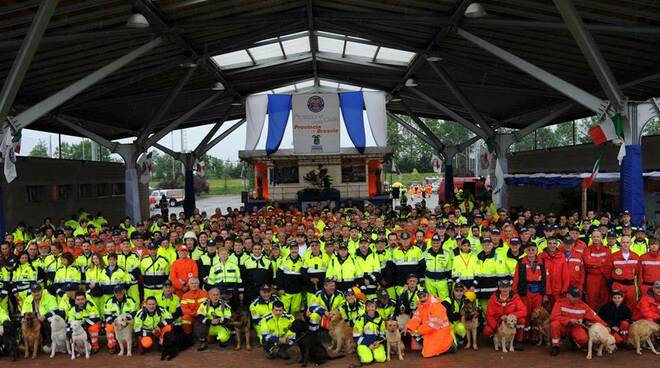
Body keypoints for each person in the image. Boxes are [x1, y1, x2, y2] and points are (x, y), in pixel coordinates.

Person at [549, 286, 606, 356]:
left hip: (576, 327)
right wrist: (569, 320)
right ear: (567, 295)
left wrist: (606, 326)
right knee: (554, 324)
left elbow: (594, 317)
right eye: (574, 296)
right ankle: (555, 346)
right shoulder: (559, 303)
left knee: (583, 339)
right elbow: (553, 317)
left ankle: (574, 341)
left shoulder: (583, 305)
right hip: (563, 326)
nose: (576, 298)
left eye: (577, 296)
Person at [405, 287, 454, 358]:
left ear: (428, 295)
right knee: (412, 335)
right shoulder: (421, 304)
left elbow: (433, 326)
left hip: (439, 332)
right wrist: (409, 328)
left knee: (427, 353)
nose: (422, 298)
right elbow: (416, 317)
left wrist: (418, 331)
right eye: (420, 296)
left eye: (424, 295)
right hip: (428, 330)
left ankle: (449, 345)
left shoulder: (436, 306)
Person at [484, 279, 527, 349]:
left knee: (522, 320)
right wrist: (497, 329)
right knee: (487, 330)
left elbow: (523, 311)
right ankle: (497, 338)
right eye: (503, 287)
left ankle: (518, 341)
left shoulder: (515, 297)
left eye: (507, 287)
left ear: (510, 288)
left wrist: (509, 316)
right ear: (499, 288)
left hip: (511, 321)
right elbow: (489, 315)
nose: (505, 289)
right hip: (498, 321)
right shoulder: (493, 298)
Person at [582, 230, 612, 310]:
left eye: (598, 236)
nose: (596, 238)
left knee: (604, 298)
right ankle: (592, 318)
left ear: (601, 237)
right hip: (592, 277)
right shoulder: (587, 249)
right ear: (591, 238)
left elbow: (608, 264)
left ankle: (604, 318)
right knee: (591, 298)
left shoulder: (607, 249)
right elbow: (588, 262)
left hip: (604, 277)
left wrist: (595, 264)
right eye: (594, 237)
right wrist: (602, 262)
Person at [103, 285, 138, 354]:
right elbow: (107, 315)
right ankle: (112, 346)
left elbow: (134, 312)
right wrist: (113, 323)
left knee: (136, 325)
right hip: (115, 322)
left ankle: (134, 341)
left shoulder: (130, 300)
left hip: (127, 321)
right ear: (114, 293)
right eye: (116, 292)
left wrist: (125, 320)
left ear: (124, 292)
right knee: (109, 328)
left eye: (120, 292)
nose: (119, 294)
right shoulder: (109, 301)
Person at [353, 299, 387, 364]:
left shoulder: (380, 320)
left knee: (381, 359)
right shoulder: (360, 319)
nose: (370, 309)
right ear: (366, 308)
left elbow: (383, 334)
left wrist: (378, 342)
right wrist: (368, 344)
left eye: (372, 307)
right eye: (368, 307)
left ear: (375, 308)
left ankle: (373, 354)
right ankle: (365, 353)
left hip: (376, 344)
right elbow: (356, 336)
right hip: (364, 343)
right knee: (367, 360)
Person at [610, 236, 640, 309]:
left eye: (627, 242)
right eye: (623, 242)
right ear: (620, 243)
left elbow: (636, 271)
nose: (625, 244)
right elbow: (609, 271)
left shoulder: (636, 256)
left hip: (630, 286)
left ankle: (629, 320)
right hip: (618, 285)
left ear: (631, 243)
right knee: (616, 305)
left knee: (631, 305)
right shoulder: (613, 256)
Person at [423, 234, 453, 300]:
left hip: (442, 282)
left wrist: (450, 281)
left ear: (440, 243)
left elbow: (449, 269)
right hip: (429, 282)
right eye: (434, 243)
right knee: (431, 301)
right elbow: (422, 269)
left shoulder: (446, 254)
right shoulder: (425, 253)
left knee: (445, 301)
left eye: (437, 243)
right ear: (431, 243)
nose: (436, 245)